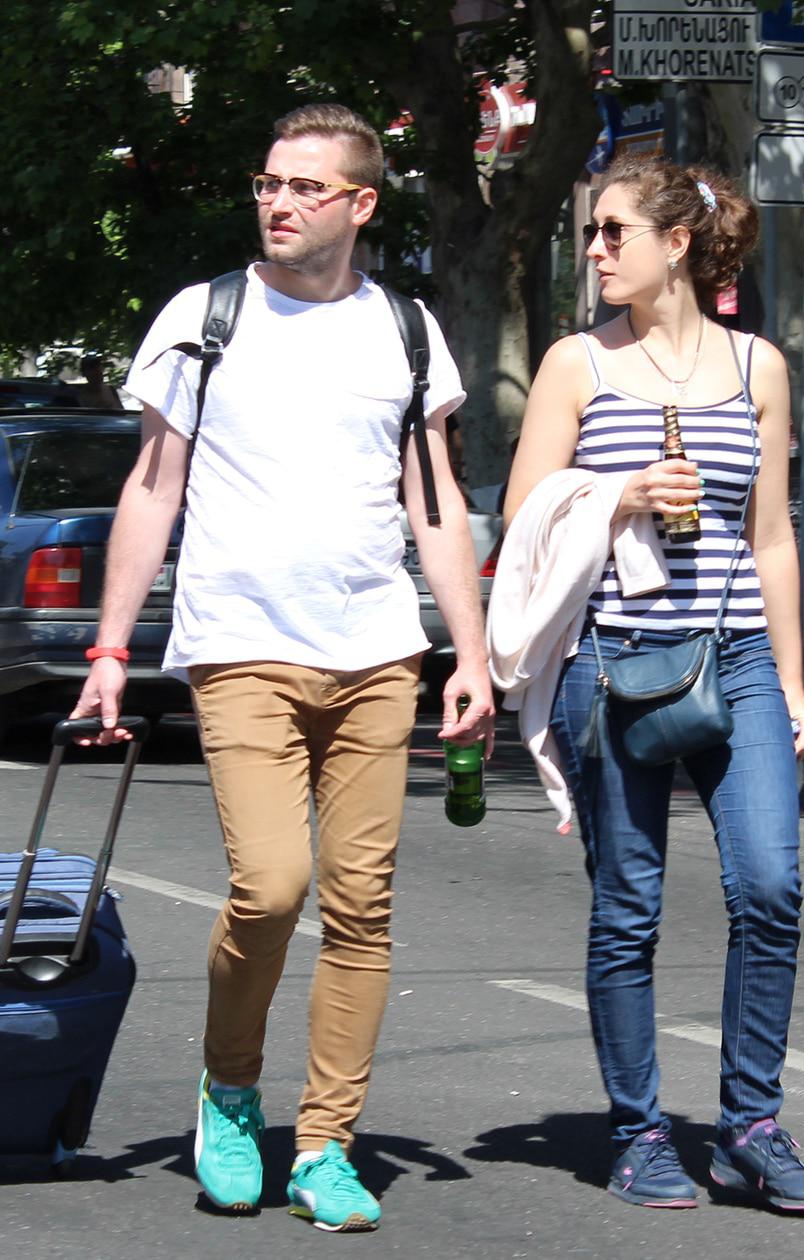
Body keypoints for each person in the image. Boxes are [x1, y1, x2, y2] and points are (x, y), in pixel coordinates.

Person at [71, 103, 495, 1233]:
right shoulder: (204, 318)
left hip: (376, 653)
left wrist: (471, 653)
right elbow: (152, 487)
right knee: (269, 886)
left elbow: (433, 501)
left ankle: (324, 1145)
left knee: (361, 906)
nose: (278, 202)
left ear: (359, 204)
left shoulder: (404, 329)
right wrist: (109, 648)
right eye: (268, 183)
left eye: (306, 187)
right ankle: (227, 1091)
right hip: (241, 646)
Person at [498, 154, 804, 1212]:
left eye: (613, 232)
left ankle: (750, 1127)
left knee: (769, 888)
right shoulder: (575, 366)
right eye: (591, 234)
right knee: (627, 907)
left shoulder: (756, 368)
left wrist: (791, 681)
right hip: (611, 661)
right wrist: (619, 495)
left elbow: (769, 535)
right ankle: (638, 1132)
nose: (595, 251)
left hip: (734, 656)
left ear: (676, 242)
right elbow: (521, 513)